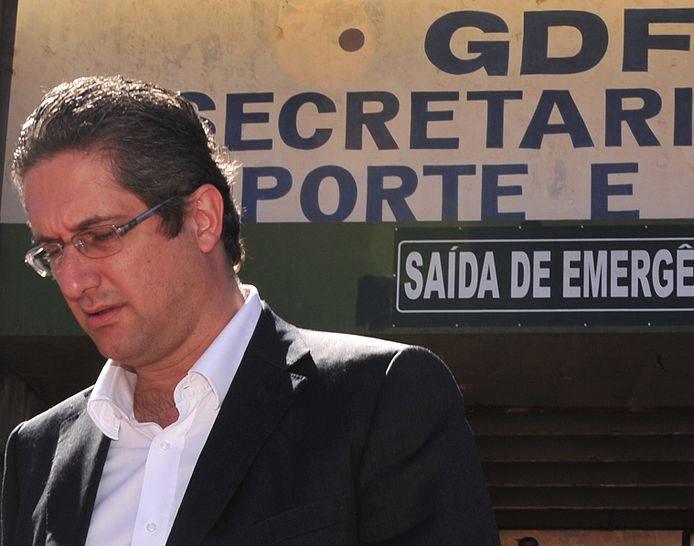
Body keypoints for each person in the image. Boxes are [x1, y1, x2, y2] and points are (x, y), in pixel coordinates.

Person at [0, 76, 500, 545]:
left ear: (201, 219)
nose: (73, 280)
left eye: (99, 236)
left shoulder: (379, 397)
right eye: (55, 250)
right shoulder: (37, 453)